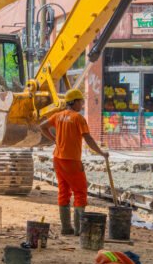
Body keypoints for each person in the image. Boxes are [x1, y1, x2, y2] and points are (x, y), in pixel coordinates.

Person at [40, 89, 109, 236]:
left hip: (58, 159)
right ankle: (78, 230)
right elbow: (88, 138)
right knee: (80, 192)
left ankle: (66, 228)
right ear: (75, 102)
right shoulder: (78, 118)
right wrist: (101, 152)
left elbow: (42, 126)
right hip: (72, 160)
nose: (82, 105)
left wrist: (54, 140)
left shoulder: (58, 116)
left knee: (64, 191)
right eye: (81, 101)